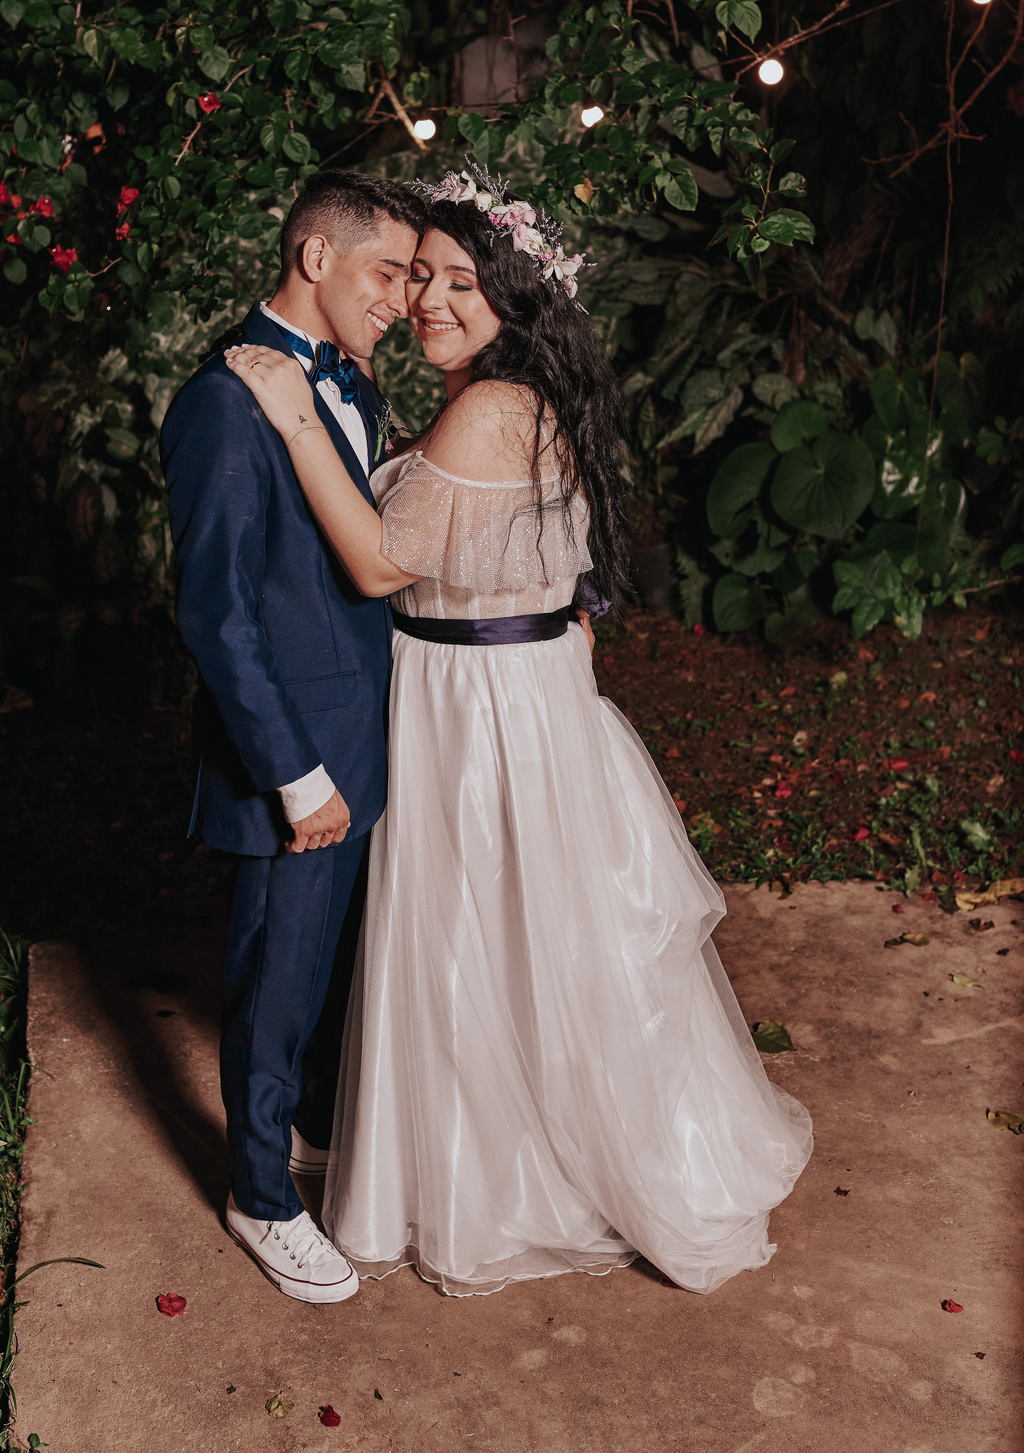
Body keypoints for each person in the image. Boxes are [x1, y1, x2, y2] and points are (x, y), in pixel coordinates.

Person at [223, 163, 813, 1297]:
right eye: (420, 276)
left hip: (477, 702)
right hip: (504, 686)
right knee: (516, 937)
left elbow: (383, 562)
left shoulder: (493, 407)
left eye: (462, 282)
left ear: (516, 295)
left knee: (474, 937)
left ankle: (495, 1178)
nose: (430, 300)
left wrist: (294, 418)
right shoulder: (517, 397)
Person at [161, 169, 428, 1304]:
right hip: (298, 759)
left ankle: (307, 1136)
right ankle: (261, 1197)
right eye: (387, 272)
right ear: (316, 258)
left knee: (328, 967)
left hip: (362, 729)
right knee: (275, 980)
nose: (403, 300)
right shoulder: (222, 403)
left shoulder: (345, 377)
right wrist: (296, 773)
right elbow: (215, 613)